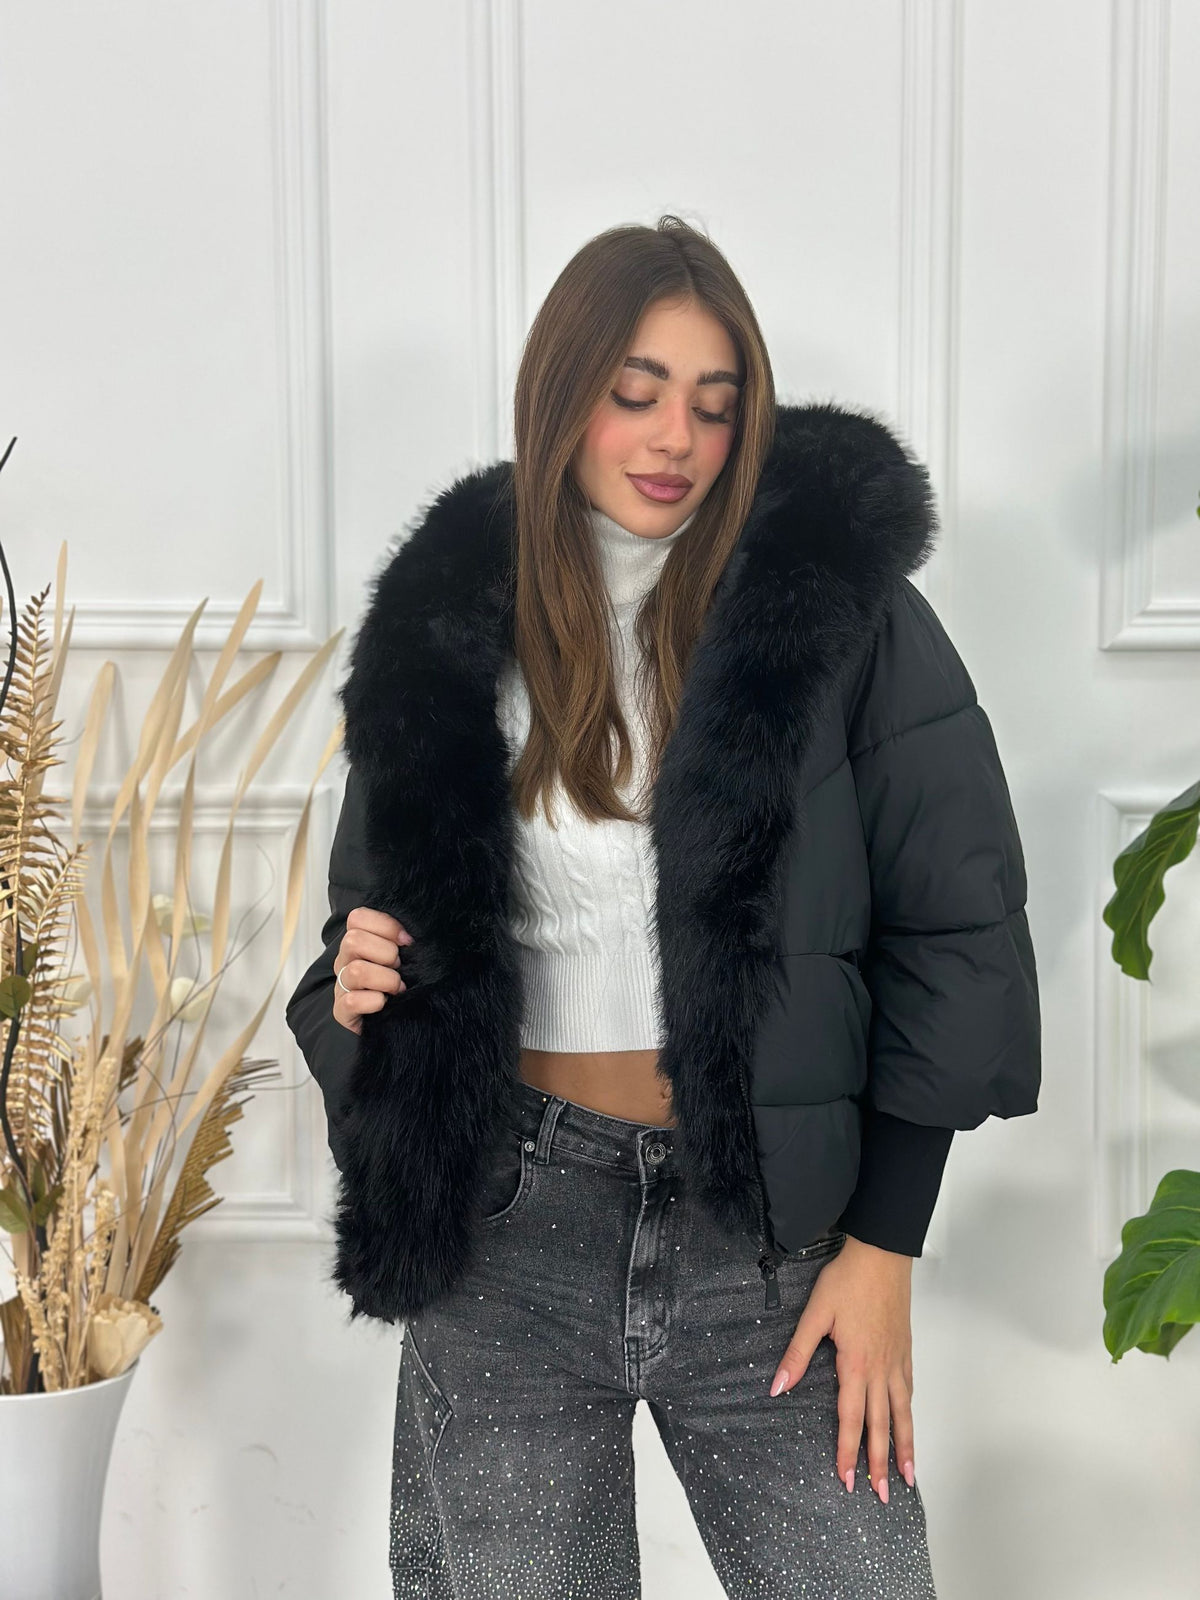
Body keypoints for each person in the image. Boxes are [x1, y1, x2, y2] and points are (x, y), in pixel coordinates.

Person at [285, 214, 1041, 1598]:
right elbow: (370, 928)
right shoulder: (450, 619)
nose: (674, 438)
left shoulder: (835, 613)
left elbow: (956, 926)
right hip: (508, 1233)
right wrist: (362, 973)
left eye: (713, 400)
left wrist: (885, 1247)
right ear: (561, 396)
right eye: (634, 393)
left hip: (771, 1241)